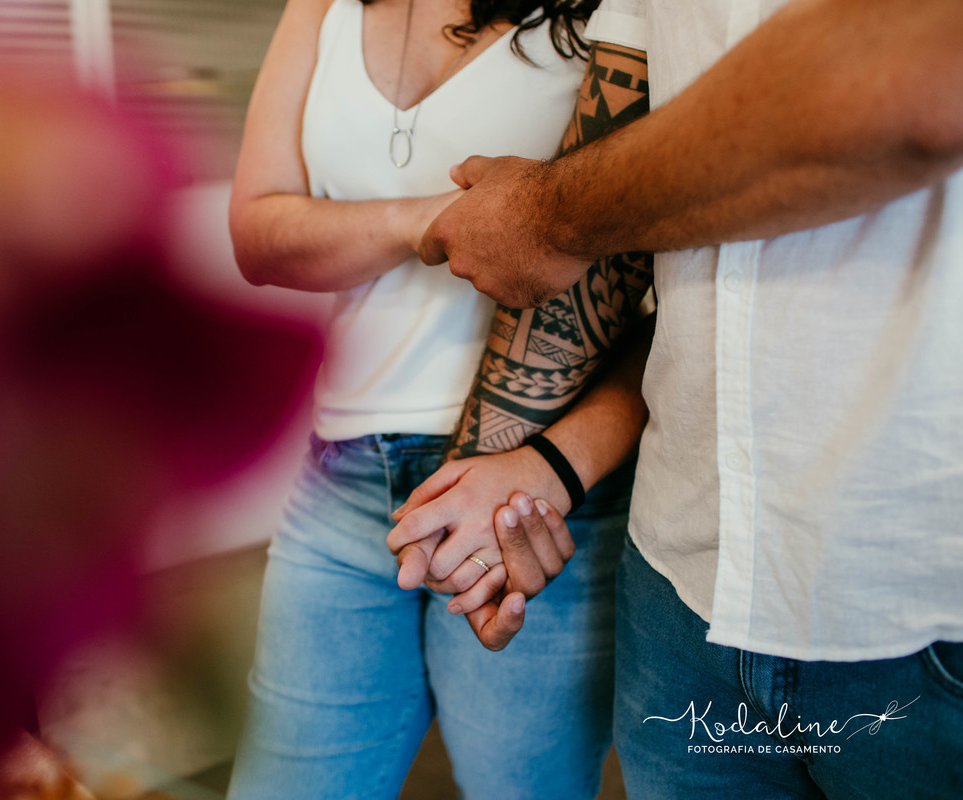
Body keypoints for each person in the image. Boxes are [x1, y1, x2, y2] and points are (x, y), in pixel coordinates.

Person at [392, 0, 963, 795]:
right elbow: (608, 255)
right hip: (682, 587)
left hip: (922, 607)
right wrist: (479, 502)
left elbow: (919, 84)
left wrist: (549, 213)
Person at [224, 1, 649, 796]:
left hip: (534, 495)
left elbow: (657, 303)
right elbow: (257, 232)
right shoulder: (322, 6)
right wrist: (445, 218)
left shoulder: (611, 14)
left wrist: (557, 465)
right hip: (343, 482)